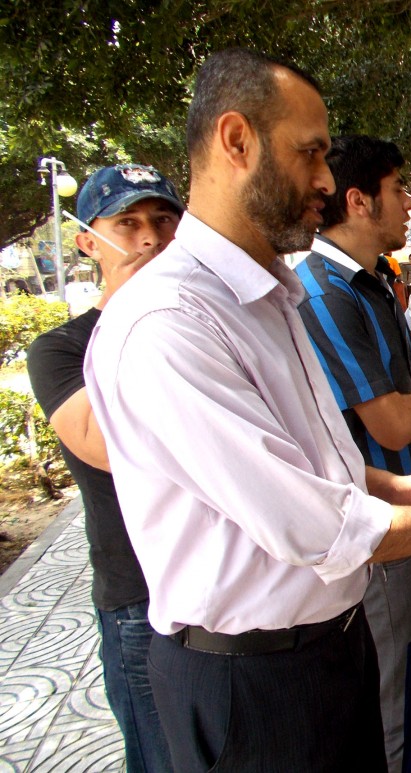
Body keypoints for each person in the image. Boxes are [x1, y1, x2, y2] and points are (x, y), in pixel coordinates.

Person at [82, 49, 411, 773]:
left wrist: (390, 485)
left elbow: (305, 458)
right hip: (254, 686)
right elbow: (307, 520)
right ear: (236, 141)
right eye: (310, 153)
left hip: (331, 646)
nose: (327, 182)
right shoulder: (168, 322)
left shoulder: (268, 291)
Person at [294, 134, 411, 773]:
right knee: (399, 692)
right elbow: (399, 422)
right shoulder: (321, 293)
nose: (408, 204)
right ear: (358, 201)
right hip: (384, 528)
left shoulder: (377, 279)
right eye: (398, 189)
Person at [27, 164, 183, 773]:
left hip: (216, 587)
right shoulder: (61, 349)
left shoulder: (197, 327)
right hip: (138, 599)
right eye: (128, 223)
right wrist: (133, 305)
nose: (148, 238)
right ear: (89, 242)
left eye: (163, 221)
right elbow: (101, 445)